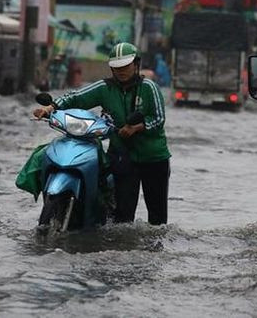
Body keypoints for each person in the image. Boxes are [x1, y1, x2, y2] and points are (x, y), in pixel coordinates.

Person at [33, 42, 171, 225]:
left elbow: (159, 118)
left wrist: (136, 128)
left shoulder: (149, 87)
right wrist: (51, 108)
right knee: (122, 217)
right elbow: (77, 97)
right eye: (116, 67)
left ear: (136, 64)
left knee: (158, 218)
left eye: (125, 66)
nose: (121, 71)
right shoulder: (105, 87)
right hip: (123, 156)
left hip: (153, 157)